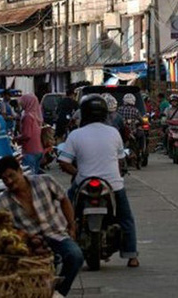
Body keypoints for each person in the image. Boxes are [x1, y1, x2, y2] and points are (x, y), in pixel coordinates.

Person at [58, 94, 139, 267]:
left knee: (63, 213)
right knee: (126, 218)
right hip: (113, 185)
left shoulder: (75, 135)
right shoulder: (114, 133)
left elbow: (63, 162)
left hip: (83, 182)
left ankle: (61, 251)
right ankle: (132, 255)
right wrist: (115, 176)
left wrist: (78, 173)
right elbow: (119, 161)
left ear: (84, 113)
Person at [0, 156, 83, 298]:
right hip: (30, 243)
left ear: (20, 170)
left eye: (11, 176)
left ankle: (59, 293)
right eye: (5, 179)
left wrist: (71, 226)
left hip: (57, 233)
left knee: (75, 256)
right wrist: (23, 236)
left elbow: (64, 199)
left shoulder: (44, 181)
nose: (9, 181)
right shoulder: (3, 200)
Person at [19, 93, 45, 174]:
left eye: (23, 101)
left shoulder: (27, 116)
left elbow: (27, 135)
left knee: (29, 178)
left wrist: (16, 138)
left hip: (30, 150)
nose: (21, 103)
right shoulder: (37, 115)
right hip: (39, 150)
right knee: (35, 177)